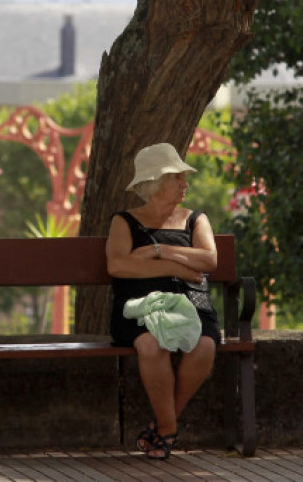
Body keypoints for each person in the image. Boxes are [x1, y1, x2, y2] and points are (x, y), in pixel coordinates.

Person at [106, 142, 221, 460]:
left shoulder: (195, 219)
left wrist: (159, 251)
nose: (186, 184)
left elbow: (209, 260)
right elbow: (118, 266)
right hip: (139, 304)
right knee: (150, 345)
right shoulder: (124, 222)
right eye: (178, 178)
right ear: (156, 183)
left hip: (191, 300)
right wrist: (175, 266)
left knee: (205, 346)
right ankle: (168, 430)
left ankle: (160, 426)